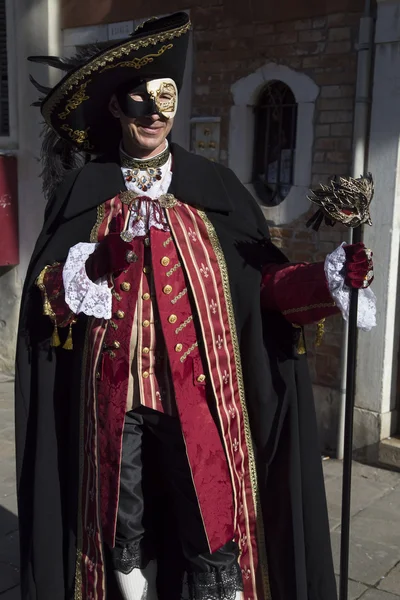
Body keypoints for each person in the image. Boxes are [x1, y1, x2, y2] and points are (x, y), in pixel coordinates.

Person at [15, 12, 376, 600]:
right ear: (115, 110)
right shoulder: (86, 193)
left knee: (211, 519)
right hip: (112, 395)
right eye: (140, 101)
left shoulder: (217, 188)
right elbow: (47, 301)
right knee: (118, 524)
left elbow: (265, 286)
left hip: (198, 393)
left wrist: (329, 281)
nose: (156, 113)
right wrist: (94, 264)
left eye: (167, 97)